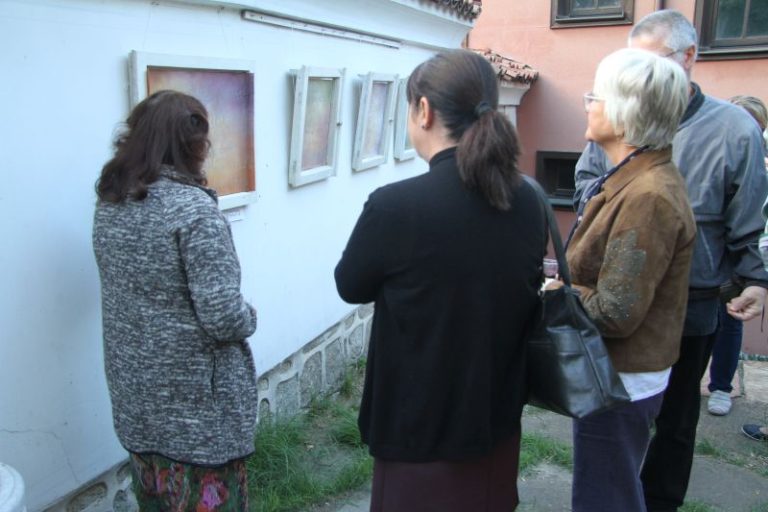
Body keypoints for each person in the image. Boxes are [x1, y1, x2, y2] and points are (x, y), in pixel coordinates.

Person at [334, 49, 546, 511]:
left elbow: (350, 285)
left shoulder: (395, 206)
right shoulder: (528, 200)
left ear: (424, 111)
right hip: (496, 420)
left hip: (419, 429)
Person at [573, 10, 768, 512]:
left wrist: (558, 293)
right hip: (626, 305)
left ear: (688, 57)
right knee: (619, 450)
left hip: (689, 303)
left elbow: (746, 218)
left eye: (650, 61)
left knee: (671, 423)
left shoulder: (729, 132)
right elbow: (587, 186)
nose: (591, 102)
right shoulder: (629, 154)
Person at [93, 90, 258, 510]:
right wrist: (250, 316)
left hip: (136, 397)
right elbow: (223, 317)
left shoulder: (112, 203)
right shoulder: (194, 212)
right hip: (196, 413)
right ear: (193, 145)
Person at [547, 48, 695, 512]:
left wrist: (558, 292)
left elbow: (616, 311)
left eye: (596, 96)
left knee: (606, 498)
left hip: (620, 381)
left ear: (625, 112)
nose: (588, 105)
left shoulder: (648, 195)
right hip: (616, 374)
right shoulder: (635, 177)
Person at [708, 95, 768, 417]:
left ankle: (721, 387)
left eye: (755, 125)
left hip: (741, 254)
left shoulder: (761, 162)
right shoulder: (715, 152)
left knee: (730, 320)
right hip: (708, 250)